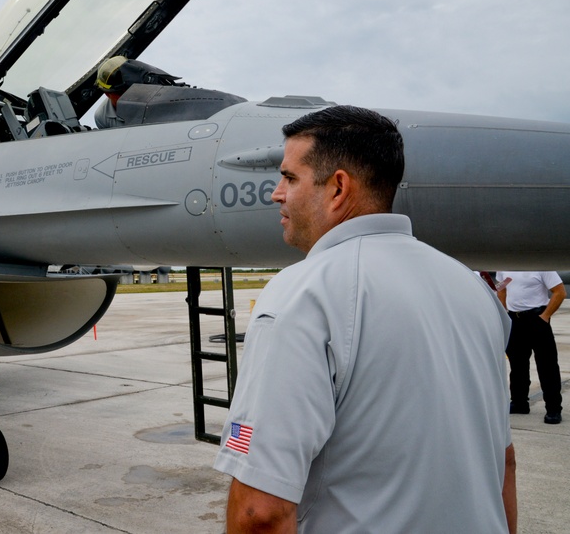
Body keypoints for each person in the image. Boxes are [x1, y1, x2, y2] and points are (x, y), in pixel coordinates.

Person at [213, 106, 516, 533]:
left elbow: (259, 512)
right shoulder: (473, 289)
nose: (276, 193)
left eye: (290, 177)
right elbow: (504, 463)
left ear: (338, 188)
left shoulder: (301, 294)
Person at [495, 270, 565, 424]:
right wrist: (504, 313)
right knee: (517, 365)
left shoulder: (541, 266)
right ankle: (519, 403)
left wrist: (545, 316)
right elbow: (501, 289)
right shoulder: (504, 267)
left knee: (547, 366)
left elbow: (560, 292)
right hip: (515, 320)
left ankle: (553, 409)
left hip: (537, 319)